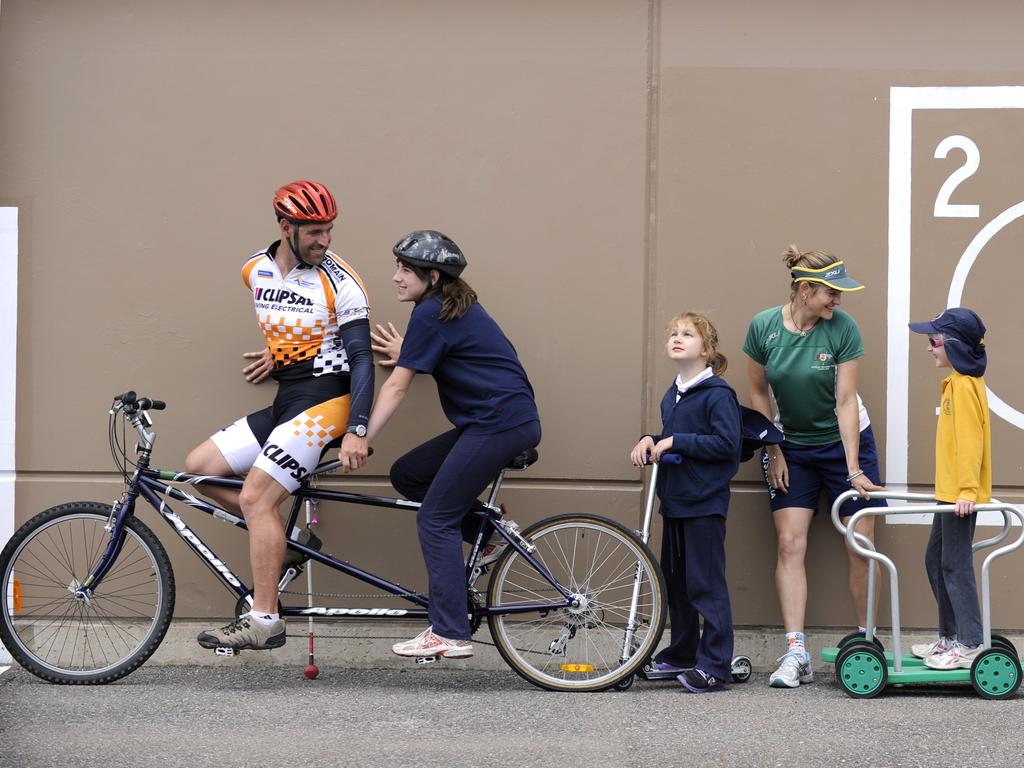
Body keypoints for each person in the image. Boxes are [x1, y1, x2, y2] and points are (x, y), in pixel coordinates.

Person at [186, 180, 375, 651]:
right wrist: (281, 357)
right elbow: (292, 330)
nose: (325, 241)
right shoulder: (254, 270)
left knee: (255, 498)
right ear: (285, 227)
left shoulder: (341, 281)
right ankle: (289, 542)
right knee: (199, 470)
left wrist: (357, 428)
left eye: (330, 230)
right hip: (287, 398)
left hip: (329, 402)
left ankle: (265, 618)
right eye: (314, 232)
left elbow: (363, 359)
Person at [362, 230, 541, 659]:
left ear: (434, 276)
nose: (396, 278)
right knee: (408, 475)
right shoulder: (446, 309)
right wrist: (410, 352)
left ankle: (448, 631)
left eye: (405, 270)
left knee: (434, 519)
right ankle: (491, 531)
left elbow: (398, 388)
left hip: (497, 424)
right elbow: (452, 353)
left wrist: (360, 434)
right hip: (499, 420)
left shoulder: (430, 313)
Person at [742, 245, 886, 688]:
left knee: (859, 543)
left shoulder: (844, 328)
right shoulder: (763, 328)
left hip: (848, 442)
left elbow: (845, 401)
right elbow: (759, 393)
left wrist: (852, 469)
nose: (837, 302)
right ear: (805, 290)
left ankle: (867, 641)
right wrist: (773, 448)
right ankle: (795, 652)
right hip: (792, 447)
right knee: (789, 543)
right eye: (831, 294)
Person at [629, 312, 742, 693]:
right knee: (676, 584)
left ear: (706, 350)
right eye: (673, 333)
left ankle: (714, 663)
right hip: (675, 500)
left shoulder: (718, 394)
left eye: (688, 334)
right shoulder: (672, 393)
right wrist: (651, 439)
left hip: (704, 503)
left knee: (704, 584)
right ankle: (682, 652)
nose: (677, 338)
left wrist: (678, 443)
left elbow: (728, 446)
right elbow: (669, 436)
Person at [906, 308, 991, 670]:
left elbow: (971, 444)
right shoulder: (955, 383)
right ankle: (950, 637)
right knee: (935, 560)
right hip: (949, 494)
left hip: (960, 497)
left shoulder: (966, 387)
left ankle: (969, 643)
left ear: (952, 345)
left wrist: (968, 492)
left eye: (934, 341)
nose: (929, 348)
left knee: (956, 566)